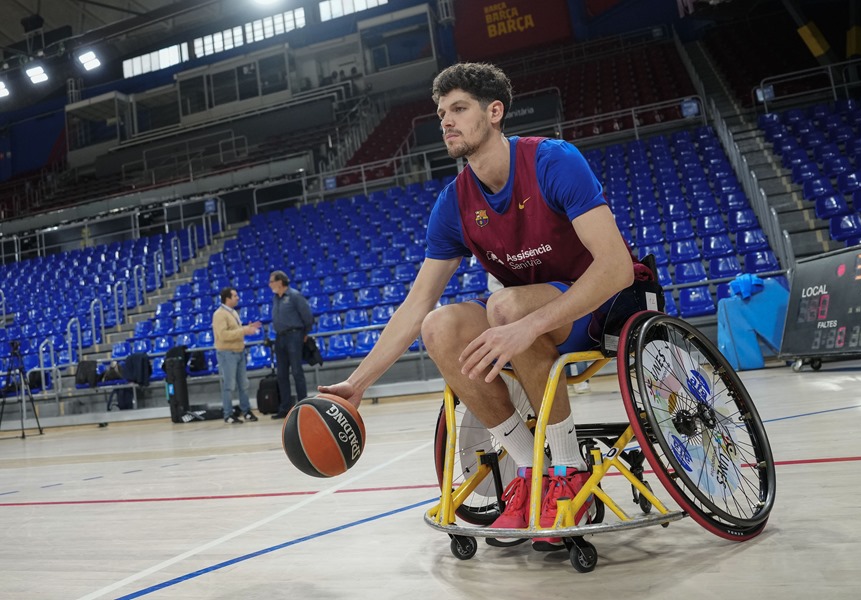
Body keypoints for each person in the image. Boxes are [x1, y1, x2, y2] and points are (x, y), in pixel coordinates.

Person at [319, 62, 641, 550]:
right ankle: (531, 470)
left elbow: (616, 267)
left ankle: (569, 470)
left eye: (458, 109)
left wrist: (525, 325)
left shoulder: (553, 161)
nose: (445, 120)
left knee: (506, 307)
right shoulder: (454, 202)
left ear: (495, 112)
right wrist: (356, 384)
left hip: (599, 307)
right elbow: (416, 303)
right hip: (521, 318)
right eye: (441, 112)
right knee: (439, 324)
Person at [212, 287, 262, 424]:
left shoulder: (232, 312)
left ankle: (246, 411)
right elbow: (223, 335)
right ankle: (228, 414)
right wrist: (244, 330)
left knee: (243, 384)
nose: (238, 298)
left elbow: (235, 331)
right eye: (235, 296)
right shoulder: (219, 315)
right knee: (229, 385)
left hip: (239, 351)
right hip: (227, 353)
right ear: (227, 298)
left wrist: (245, 329)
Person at [268, 270, 314, 419]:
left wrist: (304, 333)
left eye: (271, 281)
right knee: (281, 374)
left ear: (280, 282)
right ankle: (285, 407)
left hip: (294, 335)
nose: (269, 284)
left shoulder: (294, 295)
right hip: (280, 337)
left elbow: (307, 316)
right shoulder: (276, 298)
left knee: (296, 371)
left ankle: (303, 405)